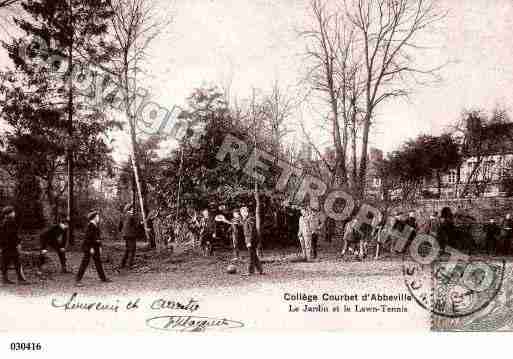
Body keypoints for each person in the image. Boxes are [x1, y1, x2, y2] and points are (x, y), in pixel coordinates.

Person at [75, 211, 111, 286]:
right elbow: (88, 239)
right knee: (84, 263)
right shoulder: (90, 226)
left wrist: (99, 246)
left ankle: (103, 278)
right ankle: (77, 280)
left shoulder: (95, 225)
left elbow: (97, 238)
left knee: (98, 263)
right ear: (94, 217)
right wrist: (90, 248)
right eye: (98, 217)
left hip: (95, 247)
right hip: (89, 247)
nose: (99, 218)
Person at [1, 206, 28, 285]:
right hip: (11, 246)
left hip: (6, 246)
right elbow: (12, 235)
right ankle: (20, 279)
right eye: (13, 212)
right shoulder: (10, 222)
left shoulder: (5, 221)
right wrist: (18, 243)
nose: (14, 213)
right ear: (9, 214)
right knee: (16, 262)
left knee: (6, 262)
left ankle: (5, 279)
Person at [240, 206, 263, 275]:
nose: (243, 213)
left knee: (251, 256)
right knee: (254, 255)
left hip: (252, 240)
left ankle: (250, 271)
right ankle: (260, 270)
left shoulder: (250, 219)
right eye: (242, 212)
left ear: (247, 212)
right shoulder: (245, 220)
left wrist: (249, 241)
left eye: (245, 212)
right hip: (249, 240)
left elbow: (252, 231)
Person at [119, 204, 138, 269]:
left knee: (127, 249)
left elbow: (120, 226)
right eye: (133, 208)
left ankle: (122, 264)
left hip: (125, 235)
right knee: (132, 250)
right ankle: (129, 265)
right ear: (130, 209)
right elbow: (136, 226)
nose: (133, 210)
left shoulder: (123, 216)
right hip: (131, 235)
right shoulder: (131, 216)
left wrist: (122, 232)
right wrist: (141, 223)